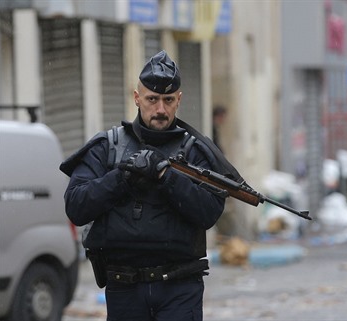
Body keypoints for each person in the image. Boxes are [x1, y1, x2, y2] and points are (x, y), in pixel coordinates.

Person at [60, 50, 229, 320]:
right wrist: (123, 177)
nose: (160, 109)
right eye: (152, 99)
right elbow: (76, 207)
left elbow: (208, 212)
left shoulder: (195, 152)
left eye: (168, 100)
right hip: (124, 288)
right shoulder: (108, 147)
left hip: (179, 288)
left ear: (179, 101)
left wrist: (166, 177)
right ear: (137, 98)